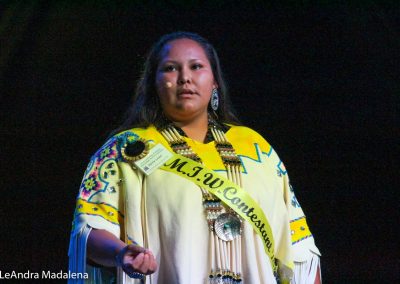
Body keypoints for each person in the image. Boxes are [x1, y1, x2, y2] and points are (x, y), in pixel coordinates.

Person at [68, 31, 321, 284]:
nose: (185, 77)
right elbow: (88, 231)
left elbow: (300, 248)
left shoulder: (258, 149)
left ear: (214, 82)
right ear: (153, 84)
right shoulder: (127, 150)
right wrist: (120, 252)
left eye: (196, 66)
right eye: (170, 68)